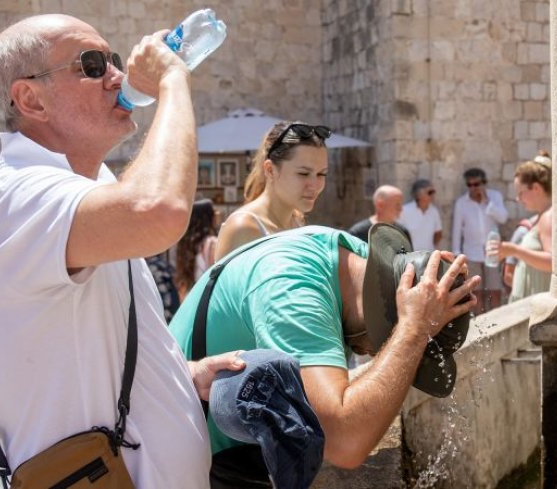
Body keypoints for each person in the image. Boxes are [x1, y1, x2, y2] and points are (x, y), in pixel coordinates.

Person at [0, 15, 244, 487]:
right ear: (30, 98)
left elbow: (91, 348)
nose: (116, 75)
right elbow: (159, 210)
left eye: (113, 60)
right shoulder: (13, 198)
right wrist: (174, 80)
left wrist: (183, 375)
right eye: (91, 65)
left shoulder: (92, 190)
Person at [169, 224, 479, 487]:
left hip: (235, 442)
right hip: (185, 454)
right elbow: (344, 443)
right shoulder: (293, 291)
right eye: (383, 344)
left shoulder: (353, 262)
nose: (374, 354)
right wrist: (412, 330)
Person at [215, 121, 330, 259]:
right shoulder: (243, 228)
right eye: (303, 174)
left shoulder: (296, 221)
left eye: (321, 174)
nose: (315, 185)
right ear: (270, 170)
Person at [495, 152, 553, 302]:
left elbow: (553, 262)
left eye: (521, 193)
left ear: (536, 188)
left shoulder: (548, 217)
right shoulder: (541, 217)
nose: (518, 199)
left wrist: (514, 250)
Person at [451, 167, 508, 312]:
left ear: (483, 183)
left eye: (476, 184)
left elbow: (503, 218)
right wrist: (457, 255)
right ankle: (480, 322)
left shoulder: (494, 197)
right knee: (475, 291)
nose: (473, 188)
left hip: (492, 251)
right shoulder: (461, 203)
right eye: (469, 185)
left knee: (495, 289)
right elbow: (457, 230)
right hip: (471, 252)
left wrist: (487, 202)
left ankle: (497, 320)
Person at [175, 198, 219, 299]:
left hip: (191, 300)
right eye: (214, 212)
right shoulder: (212, 243)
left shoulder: (185, 245)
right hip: (206, 301)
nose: (217, 214)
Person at [398, 178, 443, 251]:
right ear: (418, 194)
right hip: (410, 256)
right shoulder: (404, 211)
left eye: (433, 192)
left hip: (428, 256)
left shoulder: (434, 211)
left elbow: (438, 234)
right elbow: (398, 234)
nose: (433, 195)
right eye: (430, 192)